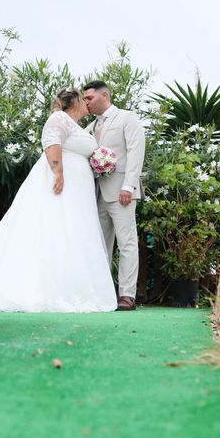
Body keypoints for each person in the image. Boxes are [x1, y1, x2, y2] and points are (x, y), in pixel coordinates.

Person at [0, 88, 117, 312]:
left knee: (73, 233)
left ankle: (71, 287)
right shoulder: (59, 118)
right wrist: (58, 172)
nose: (87, 104)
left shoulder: (78, 127)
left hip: (79, 192)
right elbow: (51, 142)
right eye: (83, 99)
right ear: (74, 102)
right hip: (62, 186)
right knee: (55, 228)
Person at [83, 81, 146, 311]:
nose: (86, 102)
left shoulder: (127, 118)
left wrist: (128, 186)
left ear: (104, 95)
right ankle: (103, 293)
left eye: (89, 98)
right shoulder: (90, 127)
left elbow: (135, 152)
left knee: (127, 242)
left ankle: (127, 295)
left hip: (121, 192)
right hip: (97, 193)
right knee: (100, 244)